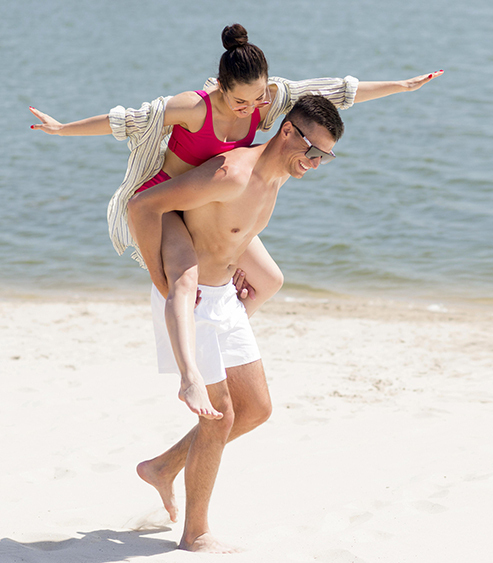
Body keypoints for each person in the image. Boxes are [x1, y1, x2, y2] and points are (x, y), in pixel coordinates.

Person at [30, 23, 444, 420]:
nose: (252, 108)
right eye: (240, 102)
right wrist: (63, 129)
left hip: (213, 200)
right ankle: (190, 371)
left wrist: (401, 86)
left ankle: (218, 333)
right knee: (183, 282)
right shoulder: (193, 107)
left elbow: (332, 92)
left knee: (270, 280)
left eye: (259, 98)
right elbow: (128, 120)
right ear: (220, 87)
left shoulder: (268, 102)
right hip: (169, 200)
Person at [127, 94, 344, 553]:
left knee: (256, 409)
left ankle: (162, 467)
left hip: (224, 295)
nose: (316, 163)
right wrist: (161, 278)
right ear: (288, 132)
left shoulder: (279, 174)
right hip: (193, 295)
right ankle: (195, 534)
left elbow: (234, 230)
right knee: (220, 416)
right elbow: (144, 207)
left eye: (325, 156)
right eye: (313, 151)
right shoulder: (231, 174)